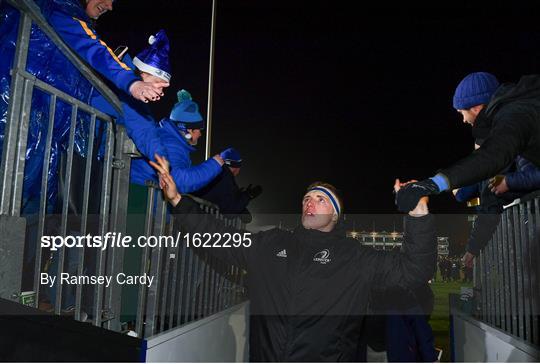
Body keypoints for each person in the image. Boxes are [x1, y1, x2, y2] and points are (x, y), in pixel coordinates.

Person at [151, 155, 437, 362]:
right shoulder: (272, 243)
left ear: (335, 215)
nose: (309, 202)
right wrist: (178, 201)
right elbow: (220, 236)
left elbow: (413, 270)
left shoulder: (355, 257)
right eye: (306, 198)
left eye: (320, 199)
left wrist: (418, 215)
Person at [396, 72, 540, 213]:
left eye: (461, 113)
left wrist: (431, 185)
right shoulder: (511, 115)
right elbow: (469, 188)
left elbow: (491, 157)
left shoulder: (515, 114)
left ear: (476, 108)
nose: (463, 120)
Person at [48, 0, 167, 103]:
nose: (110, 6)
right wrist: (132, 83)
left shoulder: (77, 17)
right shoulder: (62, 7)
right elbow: (93, 49)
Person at [130, 90, 224, 193]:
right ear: (188, 130)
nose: (200, 134)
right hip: (139, 195)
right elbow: (176, 182)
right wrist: (215, 164)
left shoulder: (172, 140)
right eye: (198, 130)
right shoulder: (171, 144)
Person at [195, 147, 262, 222]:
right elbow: (229, 212)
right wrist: (247, 196)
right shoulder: (225, 178)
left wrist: (239, 197)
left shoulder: (209, 170)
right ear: (237, 167)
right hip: (201, 222)